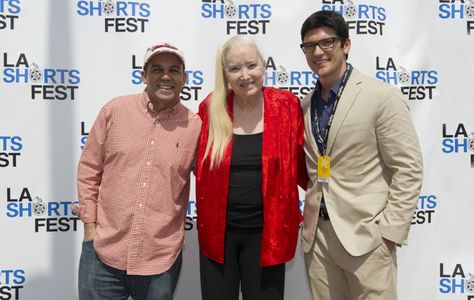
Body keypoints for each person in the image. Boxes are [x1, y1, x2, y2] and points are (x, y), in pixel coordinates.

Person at [299, 10, 423, 300]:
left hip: (367, 240)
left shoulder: (381, 96)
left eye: (327, 43)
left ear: (346, 45)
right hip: (318, 241)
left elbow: (409, 168)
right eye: (309, 46)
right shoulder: (305, 106)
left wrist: (389, 233)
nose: (318, 52)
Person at [73, 43, 201, 300]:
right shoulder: (115, 111)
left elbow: (213, 182)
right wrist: (90, 227)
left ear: (185, 79)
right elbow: (89, 168)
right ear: (143, 75)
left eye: (174, 70)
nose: (166, 76)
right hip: (103, 252)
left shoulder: (195, 126)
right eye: (157, 69)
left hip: (160, 259)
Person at [195, 35, 308, 300]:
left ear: (264, 66)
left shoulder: (286, 106)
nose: (245, 75)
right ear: (225, 73)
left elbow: (306, 164)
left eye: (251, 65)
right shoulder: (212, 108)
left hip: (267, 235)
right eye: (235, 68)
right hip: (218, 237)